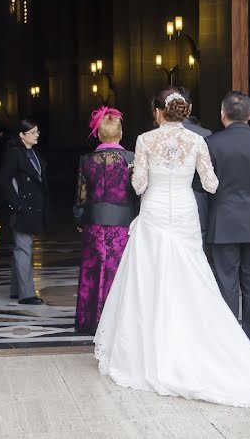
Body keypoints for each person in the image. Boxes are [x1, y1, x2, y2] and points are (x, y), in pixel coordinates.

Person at [95, 88, 250, 408]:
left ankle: (150, 347)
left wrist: (137, 174)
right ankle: (223, 345)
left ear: (158, 112)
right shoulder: (198, 141)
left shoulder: (144, 140)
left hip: (155, 213)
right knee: (191, 279)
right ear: (184, 111)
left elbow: (139, 185)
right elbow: (211, 184)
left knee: (151, 280)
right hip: (184, 213)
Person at [205, 91, 250, 352]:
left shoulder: (212, 144)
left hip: (223, 224)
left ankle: (229, 348)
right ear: (249, 115)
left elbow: (203, 189)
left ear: (223, 114)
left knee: (226, 286)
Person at [73, 107, 138, 334]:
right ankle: (118, 321)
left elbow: (81, 197)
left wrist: (79, 220)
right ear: (120, 134)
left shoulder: (86, 160)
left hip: (93, 223)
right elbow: (137, 192)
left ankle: (91, 320)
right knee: (118, 271)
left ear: (99, 135)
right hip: (123, 223)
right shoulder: (131, 159)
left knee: (93, 270)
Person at [0, 118, 48, 305]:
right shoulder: (14, 154)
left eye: (37, 132)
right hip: (22, 210)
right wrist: (17, 205)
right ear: (21, 135)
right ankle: (27, 294)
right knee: (23, 248)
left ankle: (16, 289)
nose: (36, 135)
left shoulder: (32, 153)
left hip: (33, 208)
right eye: (32, 133)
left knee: (22, 247)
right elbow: (4, 181)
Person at [176, 87, 212, 242]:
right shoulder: (206, 135)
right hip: (197, 197)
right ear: (189, 107)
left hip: (166, 199)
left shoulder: (154, 136)